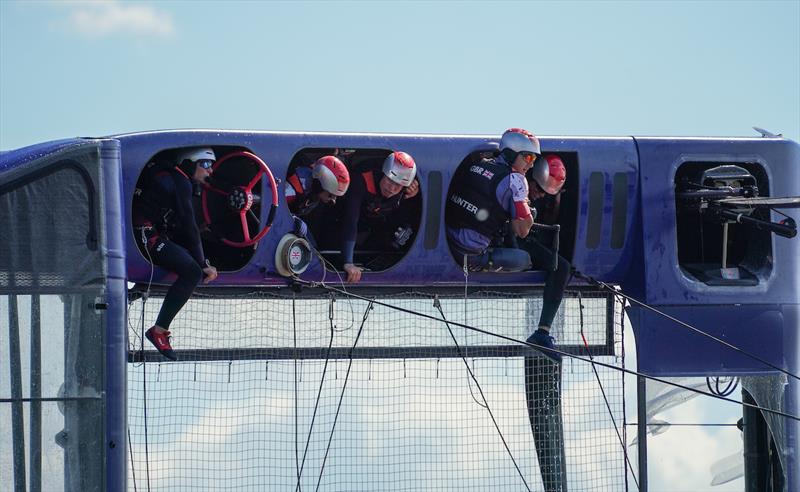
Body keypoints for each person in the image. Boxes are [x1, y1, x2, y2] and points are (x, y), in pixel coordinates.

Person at [132, 147, 219, 360]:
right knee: (192, 272)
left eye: (212, 166)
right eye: (206, 164)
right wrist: (202, 263)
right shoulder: (181, 182)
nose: (210, 171)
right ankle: (159, 331)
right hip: (146, 235)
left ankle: (156, 324)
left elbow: (183, 225)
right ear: (190, 163)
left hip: (153, 232)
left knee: (188, 261)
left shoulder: (170, 176)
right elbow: (188, 223)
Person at [445, 128, 540, 272]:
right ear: (511, 153)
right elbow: (522, 231)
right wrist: (527, 208)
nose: (531, 164)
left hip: (447, 242)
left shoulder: (478, 164)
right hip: (469, 255)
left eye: (534, 159)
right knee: (525, 260)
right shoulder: (515, 180)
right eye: (528, 157)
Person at [338, 151, 420, 283]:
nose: (392, 188)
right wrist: (348, 262)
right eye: (389, 180)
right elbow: (350, 221)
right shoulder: (361, 180)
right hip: (343, 225)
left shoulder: (408, 190)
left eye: (397, 185)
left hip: (375, 228)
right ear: (383, 172)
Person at [522, 154, 569, 362]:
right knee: (560, 267)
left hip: (529, 240)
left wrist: (556, 202)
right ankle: (542, 332)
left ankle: (542, 333)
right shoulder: (518, 187)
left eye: (546, 193)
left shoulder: (541, 196)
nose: (541, 195)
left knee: (562, 266)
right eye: (539, 190)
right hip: (516, 239)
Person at [285, 155, 350, 239]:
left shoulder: (314, 192)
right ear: (320, 185)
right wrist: (291, 218)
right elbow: (268, 205)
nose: (333, 200)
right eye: (330, 195)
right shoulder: (294, 188)